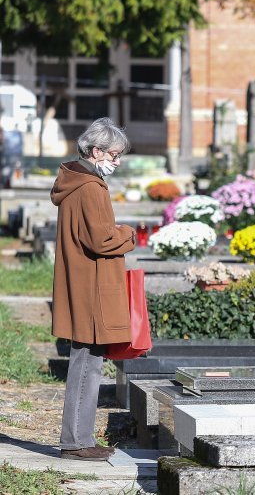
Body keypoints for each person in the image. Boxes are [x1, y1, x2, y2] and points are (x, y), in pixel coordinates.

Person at [51, 117, 136, 461]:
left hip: (83, 284)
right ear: (96, 151)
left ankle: (78, 437)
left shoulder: (75, 182)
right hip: (93, 288)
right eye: (114, 155)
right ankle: (76, 441)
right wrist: (128, 233)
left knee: (85, 361)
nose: (117, 162)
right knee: (88, 364)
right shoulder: (91, 187)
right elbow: (101, 239)